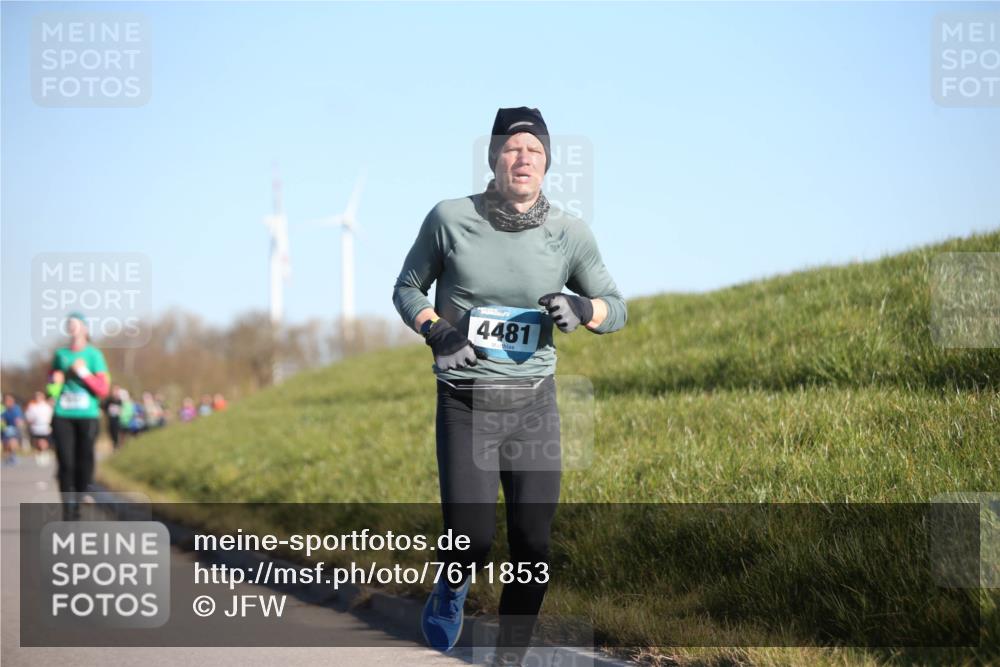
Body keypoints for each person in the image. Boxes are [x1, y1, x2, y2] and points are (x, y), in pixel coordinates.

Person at [393, 107, 626, 666]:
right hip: (466, 400)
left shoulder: (569, 233)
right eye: (512, 149)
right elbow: (407, 288)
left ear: (547, 165)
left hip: (533, 405)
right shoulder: (450, 218)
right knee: (471, 539)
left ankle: (510, 657)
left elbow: (616, 308)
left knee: (533, 545)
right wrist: (437, 330)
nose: (523, 159)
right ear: (494, 158)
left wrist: (581, 307)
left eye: (535, 152)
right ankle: (452, 586)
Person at [47, 312, 110, 520]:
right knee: (66, 462)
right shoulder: (60, 355)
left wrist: (83, 373)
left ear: (85, 328)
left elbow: (103, 389)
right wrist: (54, 383)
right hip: (63, 413)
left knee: (84, 459)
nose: (72, 327)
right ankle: (69, 506)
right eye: (69, 324)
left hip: (87, 414)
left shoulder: (94, 355)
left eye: (76, 324)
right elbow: (51, 389)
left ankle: (82, 490)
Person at [24, 391, 54, 465]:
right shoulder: (32, 406)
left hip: (45, 428)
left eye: (39, 396)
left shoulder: (47, 406)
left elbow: (51, 416)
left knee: (43, 442)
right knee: (38, 443)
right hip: (35, 428)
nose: (38, 397)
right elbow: (28, 417)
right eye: (36, 396)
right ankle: (40, 453)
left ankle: (44, 453)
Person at [2, 395, 26, 465]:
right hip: (7, 429)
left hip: (15, 429)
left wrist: (19, 425)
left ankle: (13, 456)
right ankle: (9, 457)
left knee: (12, 442)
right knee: (6, 444)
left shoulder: (16, 409)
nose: (6, 402)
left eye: (8, 401)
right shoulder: (6, 410)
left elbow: (19, 420)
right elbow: (2, 418)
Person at [102, 385, 123, 449]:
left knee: (117, 433)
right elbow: (103, 407)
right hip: (110, 420)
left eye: (117, 391)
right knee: (111, 434)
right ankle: (114, 445)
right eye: (114, 390)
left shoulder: (120, 401)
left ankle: (118, 446)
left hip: (118, 420)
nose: (115, 392)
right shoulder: (108, 400)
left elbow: (122, 409)